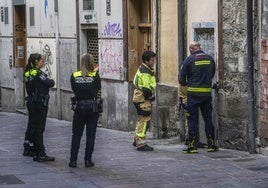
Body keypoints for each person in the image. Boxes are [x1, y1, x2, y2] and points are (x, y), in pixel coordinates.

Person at [179, 41, 218, 153]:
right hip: (206, 94)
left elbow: (181, 78)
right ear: (200, 47)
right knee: (208, 118)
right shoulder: (210, 59)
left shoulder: (189, 59)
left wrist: (186, 84)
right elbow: (212, 74)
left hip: (193, 94)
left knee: (193, 119)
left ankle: (192, 145)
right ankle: (211, 144)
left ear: (191, 49)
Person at [69, 53, 102, 168]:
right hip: (92, 107)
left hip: (79, 106)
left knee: (76, 135)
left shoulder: (74, 75)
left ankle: (73, 161)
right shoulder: (94, 75)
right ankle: (88, 161)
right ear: (92, 62)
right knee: (90, 135)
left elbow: (73, 88)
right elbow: (98, 88)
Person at [29, 53, 55, 162]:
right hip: (40, 103)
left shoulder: (30, 72)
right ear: (36, 62)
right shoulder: (38, 73)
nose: (43, 62)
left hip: (34, 102)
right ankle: (41, 154)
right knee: (40, 129)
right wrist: (50, 81)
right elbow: (49, 82)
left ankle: (36, 153)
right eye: (41, 61)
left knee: (35, 128)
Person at [132, 51, 156, 151]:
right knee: (144, 120)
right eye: (152, 60)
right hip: (143, 99)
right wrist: (151, 97)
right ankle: (141, 143)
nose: (154, 61)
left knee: (141, 119)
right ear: (146, 61)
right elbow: (146, 89)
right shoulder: (145, 72)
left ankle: (136, 140)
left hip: (139, 98)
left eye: (154, 59)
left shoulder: (143, 68)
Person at [23, 54, 38, 157]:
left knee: (30, 124)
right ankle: (31, 147)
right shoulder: (33, 72)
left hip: (30, 100)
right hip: (34, 101)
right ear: (35, 62)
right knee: (34, 125)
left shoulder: (27, 72)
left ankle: (27, 145)